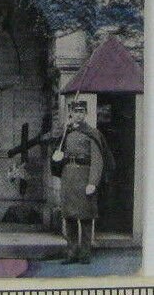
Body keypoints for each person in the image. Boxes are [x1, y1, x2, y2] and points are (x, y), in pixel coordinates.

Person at [57, 100, 111, 265]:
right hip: (68, 177)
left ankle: (85, 254)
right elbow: (58, 150)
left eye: (81, 112)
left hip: (84, 177)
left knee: (86, 218)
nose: (78, 115)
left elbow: (97, 160)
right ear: (71, 114)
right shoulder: (66, 133)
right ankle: (71, 253)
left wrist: (93, 182)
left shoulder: (92, 133)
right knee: (70, 217)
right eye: (75, 111)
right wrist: (57, 156)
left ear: (85, 114)